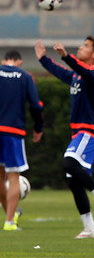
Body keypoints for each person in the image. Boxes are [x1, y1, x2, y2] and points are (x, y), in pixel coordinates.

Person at [35, 37, 94, 239]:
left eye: (86, 46)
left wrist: (66, 56)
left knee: (69, 163)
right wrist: (43, 59)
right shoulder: (78, 76)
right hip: (79, 133)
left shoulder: (93, 73)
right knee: (74, 182)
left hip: (90, 131)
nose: (81, 47)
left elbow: (84, 70)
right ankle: (90, 229)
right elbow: (62, 72)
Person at [0, 50, 44, 230]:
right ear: (19, 62)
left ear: (4, 61)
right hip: (13, 131)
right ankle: (10, 222)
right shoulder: (25, 76)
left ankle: (10, 215)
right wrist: (38, 128)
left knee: (0, 177)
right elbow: (35, 105)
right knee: (13, 176)